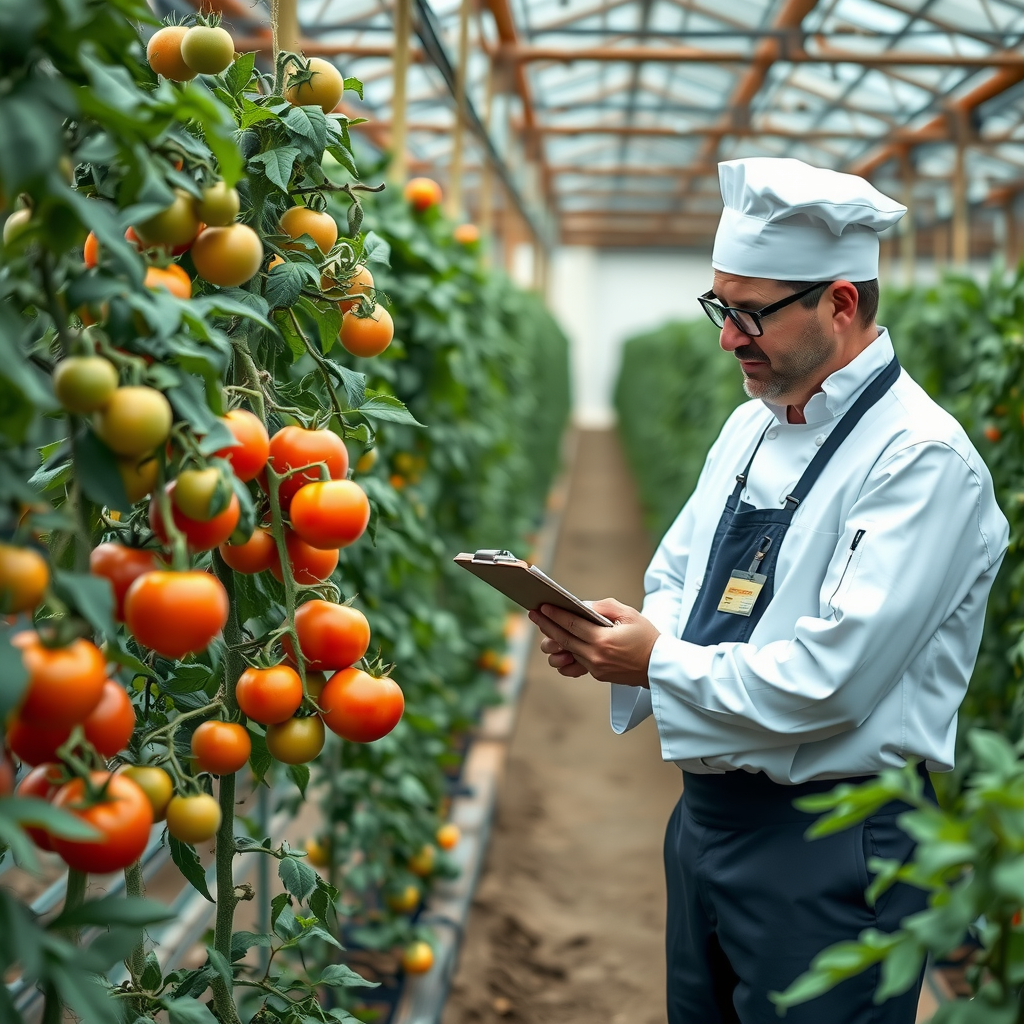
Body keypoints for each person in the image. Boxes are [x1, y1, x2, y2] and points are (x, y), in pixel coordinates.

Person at [529, 156, 1009, 1024]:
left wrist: (658, 664)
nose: (728, 338)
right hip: (708, 822)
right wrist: (630, 632)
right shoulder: (750, 426)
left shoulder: (920, 461)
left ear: (841, 303)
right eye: (721, 308)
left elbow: (833, 680)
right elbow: (681, 573)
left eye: (752, 313)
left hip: (834, 846)